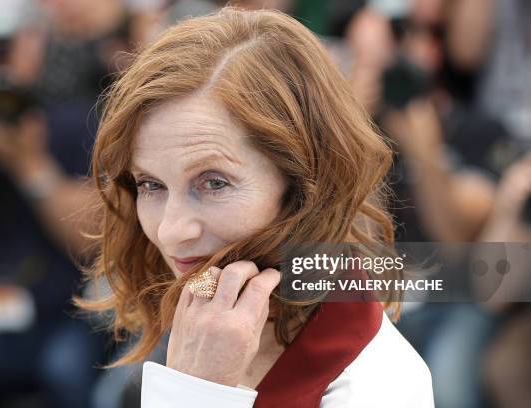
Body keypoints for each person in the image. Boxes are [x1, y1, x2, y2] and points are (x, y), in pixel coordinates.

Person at [78, 7, 434, 407]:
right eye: (150, 184)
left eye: (213, 183)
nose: (170, 231)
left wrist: (195, 396)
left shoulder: (377, 387)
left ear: (306, 185)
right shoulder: (200, 320)